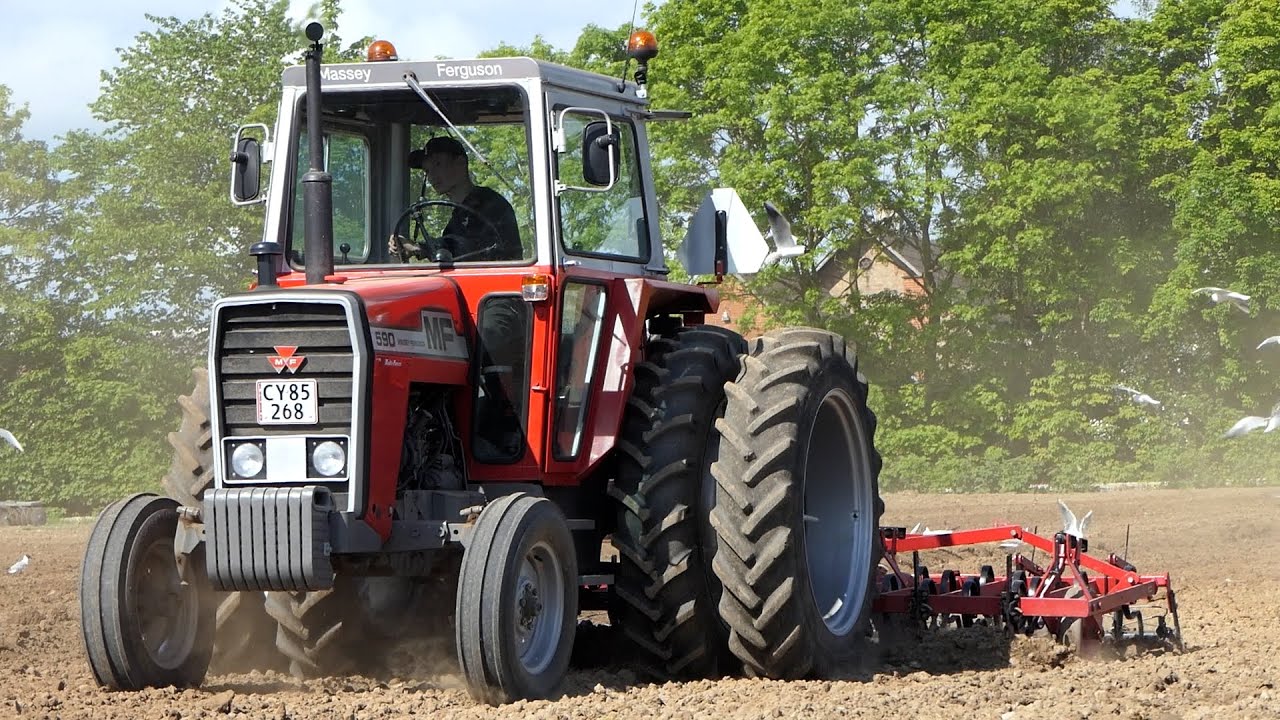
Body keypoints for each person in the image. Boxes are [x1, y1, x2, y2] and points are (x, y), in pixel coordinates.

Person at [391, 136, 522, 262]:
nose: (432, 176)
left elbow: (473, 249)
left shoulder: (490, 204)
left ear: (460, 163)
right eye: (427, 170)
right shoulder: (457, 219)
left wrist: (419, 248)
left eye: (437, 164)